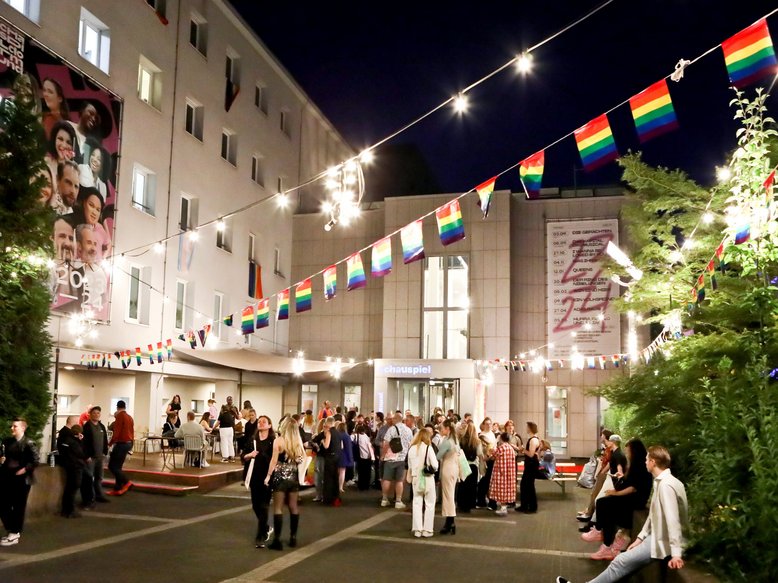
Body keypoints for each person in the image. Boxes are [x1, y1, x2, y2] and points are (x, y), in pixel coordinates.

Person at [557, 446, 688, 583]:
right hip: (659, 537)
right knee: (624, 565)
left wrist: (676, 553)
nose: (645, 462)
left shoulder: (666, 486)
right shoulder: (665, 481)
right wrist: (639, 538)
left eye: (647, 459)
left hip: (663, 540)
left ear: (653, 462)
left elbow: (673, 520)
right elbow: (653, 515)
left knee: (620, 561)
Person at [583, 439, 653, 561]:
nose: (627, 454)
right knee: (603, 503)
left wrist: (616, 493)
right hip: (632, 498)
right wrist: (621, 478)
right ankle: (602, 535)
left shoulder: (640, 466)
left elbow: (633, 487)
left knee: (604, 505)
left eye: (628, 451)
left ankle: (603, 539)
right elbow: (631, 482)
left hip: (636, 500)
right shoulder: (636, 465)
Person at [264, 416, 306, 550]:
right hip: (293, 476)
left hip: (279, 477)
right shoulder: (297, 442)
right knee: (293, 506)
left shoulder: (278, 441)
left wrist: (268, 476)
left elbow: (273, 461)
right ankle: (293, 537)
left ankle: (277, 540)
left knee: (278, 508)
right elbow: (301, 459)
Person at [0, 418, 39, 547]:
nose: (12, 428)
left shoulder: (29, 443)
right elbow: (3, 455)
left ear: (23, 428)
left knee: (18, 505)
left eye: (15, 426)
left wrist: (25, 469)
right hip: (7, 476)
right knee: (3, 503)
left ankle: (15, 532)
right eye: (12, 426)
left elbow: (35, 460)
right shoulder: (7, 441)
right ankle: (12, 528)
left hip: (22, 479)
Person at [243, 415, 275, 548]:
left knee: (264, 506)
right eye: (259, 422)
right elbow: (243, 456)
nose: (261, 423)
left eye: (264, 422)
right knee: (255, 505)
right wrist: (249, 455)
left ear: (269, 425)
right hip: (254, 476)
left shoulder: (273, 441)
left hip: (267, 477)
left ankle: (260, 537)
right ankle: (266, 528)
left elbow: (277, 458)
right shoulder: (252, 440)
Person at [407, 428, 438, 538]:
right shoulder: (428, 448)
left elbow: (410, 465)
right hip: (427, 478)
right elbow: (435, 465)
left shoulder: (411, 449)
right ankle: (427, 529)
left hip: (415, 478)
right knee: (429, 503)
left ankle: (417, 529)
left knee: (416, 502)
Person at [578, 429, 614, 523]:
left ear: (605, 436)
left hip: (604, 473)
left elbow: (609, 463)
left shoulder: (609, 448)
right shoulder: (607, 448)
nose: (601, 437)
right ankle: (589, 511)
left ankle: (589, 513)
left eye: (602, 435)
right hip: (603, 472)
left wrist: (601, 473)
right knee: (594, 493)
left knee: (595, 493)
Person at [380, 412, 413, 509]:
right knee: (399, 481)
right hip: (402, 458)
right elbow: (410, 444)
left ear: (396, 419)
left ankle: (384, 499)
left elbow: (386, 443)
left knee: (386, 479)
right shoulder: (408, 430)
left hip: (390, 457)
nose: (392, 420)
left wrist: (383, 455)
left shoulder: (391, 429)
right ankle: (398, 501)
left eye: (393, 418)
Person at [80, 405, 110, 506]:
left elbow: (105, 440)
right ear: (90, 415)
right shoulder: (86, 427)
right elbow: (83, 443)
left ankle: (99, 495)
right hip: (91, 458)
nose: (96, 415)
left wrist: (105, 452)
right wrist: (86, 456)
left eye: (98, 413)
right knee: (89, 478)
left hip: (100, 457)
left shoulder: (102, 426)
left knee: (99, 477)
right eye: (94, 413)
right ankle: (89, 498)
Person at [57, 418, 87, 518]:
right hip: (76, 466)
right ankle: (70, 511)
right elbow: (81, 454)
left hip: (68, 465)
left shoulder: (65, 440)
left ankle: (65, 510)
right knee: (73, 489)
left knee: (68, 489)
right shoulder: (74, 443)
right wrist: (81, 441)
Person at [436, 418, 460, 534]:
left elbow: (438, 456)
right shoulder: (455, 440)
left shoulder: (447, 441)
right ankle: (450, 522)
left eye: (442, 428)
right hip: (454, 468)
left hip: (447, 468)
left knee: (448, 496)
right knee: (450, 495)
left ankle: (449, 522)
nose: (440, 430)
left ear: (448, 429)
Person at [107, 400, 134, 496]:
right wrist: (131, 445)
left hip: (121, 443)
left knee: (112, 466)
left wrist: (110, 443)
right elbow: (132, 432)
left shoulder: (120, 416)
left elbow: (116, 432)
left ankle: (127, 482)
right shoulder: (130, 417)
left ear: (117, 407)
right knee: (118, 467)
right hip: (128, 443)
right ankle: (117, 488)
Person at [313, 417, 342, 506]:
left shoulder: (329, 432)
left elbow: (326, 446)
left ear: (328, 423)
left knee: (328, 478)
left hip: (330, 457)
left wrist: (322, 441)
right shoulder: (337, 432)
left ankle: (328, 498)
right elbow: (341, 446)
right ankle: (336, 497)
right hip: (337, 457)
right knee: (335, 478)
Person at [490, 432, 517, 516]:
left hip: (500, 472)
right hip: (509, 472)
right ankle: (503, 507)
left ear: (501, 438)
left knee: (501, 489)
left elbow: (493, 455)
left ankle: (503, 508)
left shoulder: (501, 448)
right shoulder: (511, 448)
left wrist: (492, 448)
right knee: (507, 489)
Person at [456, 421, 481, 513]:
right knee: (471, 487)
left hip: (463, 464)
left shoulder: (461, 440)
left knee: (463, 486)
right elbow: (479, 453)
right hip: (473, 465)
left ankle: (461, 504)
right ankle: (469, 505)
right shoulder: (477, 442)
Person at [516, 421, 540, 513]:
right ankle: (524, 505)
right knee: (524, 485)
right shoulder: (534, 439)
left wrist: (522, 450)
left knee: (529, 485)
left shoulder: (533, 440)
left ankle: (532, 507)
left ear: (530, 428)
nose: (526, 429)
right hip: (530, 464)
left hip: (531, 465)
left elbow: (531, 454)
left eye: (527, 427)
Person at [477, 419, 497, 509]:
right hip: (485, 459)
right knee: (485, 480)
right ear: (484, 425)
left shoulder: (492, 434)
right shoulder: (482, 435)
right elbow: (480, 449)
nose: (488, 425)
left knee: (487, 480)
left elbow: (494, 446)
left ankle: (483, 499)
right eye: (487, 424)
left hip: (491, 458)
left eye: (490, 424)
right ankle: (482, 499)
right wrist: (483, 457)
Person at [352, 424, 374, 491]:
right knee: (367, 472)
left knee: (361, 472)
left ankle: (361, 486)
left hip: (361, 456)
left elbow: (350, 439)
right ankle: (366, 486)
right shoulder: (366, 437)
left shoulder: (356, 436)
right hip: (368, 456)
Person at [216, 398, 238, 463]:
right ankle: (232, 457)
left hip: (224, 429)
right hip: (231, 429)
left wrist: (213, 427)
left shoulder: (222, 414)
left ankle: (225, 458)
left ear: (222, 409)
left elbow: (218, 422)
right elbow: (238, 417)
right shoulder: (230, 414)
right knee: (230, 443)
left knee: (224, 443)